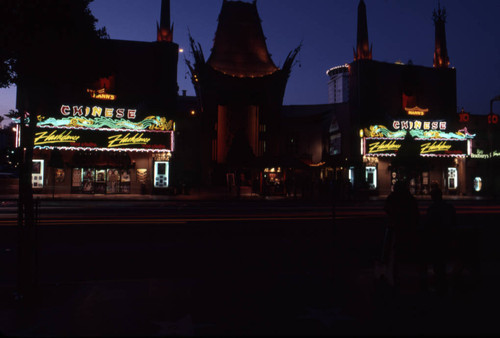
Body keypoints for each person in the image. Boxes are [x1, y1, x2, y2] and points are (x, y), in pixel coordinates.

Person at [383, 180, 420, 287]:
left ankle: (396, 278)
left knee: (394, 254)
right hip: (408, 230)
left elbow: (386, 208)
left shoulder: (393, 197)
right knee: (406, 254)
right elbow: (415, 215)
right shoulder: (410, 199)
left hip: (396, 229)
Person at [421, 187, 456, 295]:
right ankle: (443, 282)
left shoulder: (432, 209)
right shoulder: (448, 207)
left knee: (437, 259)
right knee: (442, 260)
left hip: (435, 239)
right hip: (446, 238)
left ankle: (439, 282)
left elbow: (428, 224)